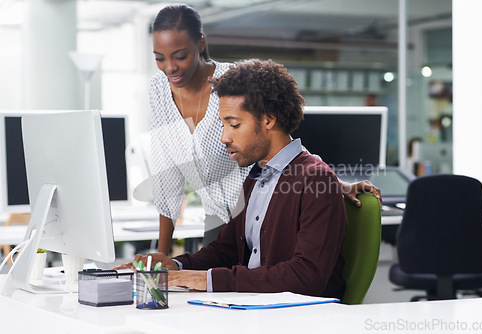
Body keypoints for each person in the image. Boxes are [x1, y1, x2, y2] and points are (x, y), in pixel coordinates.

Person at [146, 4, 381, 256]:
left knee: (259, 280)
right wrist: (161, 256)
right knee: (208, 282)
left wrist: (330, 183)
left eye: (179, 56)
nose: (169, 67)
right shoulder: (159, 91)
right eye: (159, 58)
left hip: (266, 208)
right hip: (218, 218)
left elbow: (279, 139)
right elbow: (166, 177)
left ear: (200, 43)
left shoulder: (232, 82)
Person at [121, 59, 351, 298]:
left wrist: (205, 279)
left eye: (234, 124)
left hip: (297, 318)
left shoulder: (315, 180)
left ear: (268, 120)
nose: (224, 137)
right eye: (223, 124)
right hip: (254, 309)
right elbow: (225, 250)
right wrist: (178, 266)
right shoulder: (256, 177)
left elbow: (308, 276)